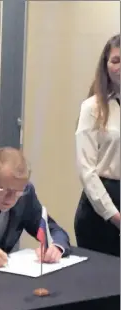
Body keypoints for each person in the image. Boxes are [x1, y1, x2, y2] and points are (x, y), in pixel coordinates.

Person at [74, 34, 120, 257]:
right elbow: (86, 170)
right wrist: (113, 215)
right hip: (101, 208)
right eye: (116, 60)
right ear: (106, 65)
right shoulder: (92, 107)